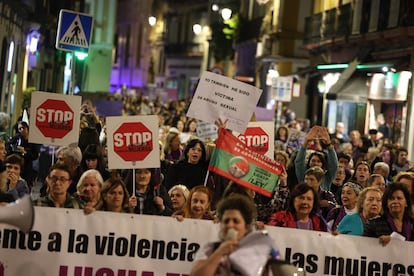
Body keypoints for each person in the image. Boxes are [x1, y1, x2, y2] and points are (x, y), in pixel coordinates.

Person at [191, 195, 279, 275]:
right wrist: (219, 253)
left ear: (247, 227)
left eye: (236, 221)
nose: (230, 225)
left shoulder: (258, 254)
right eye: (226, 221)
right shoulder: (210, 249)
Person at [295, 125, 338, 191]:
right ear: (309, 163)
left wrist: (329, 144)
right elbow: (299, 162)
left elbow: (334, 165)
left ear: (323, 164)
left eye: (318, 161)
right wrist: (305, 143)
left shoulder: (326, 177)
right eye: (313, 160)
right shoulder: (303, 175)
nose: (315, 163)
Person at [6, 121, 39, 187]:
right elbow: (9, 147)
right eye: (19, 129)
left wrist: (25, 152)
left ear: (27, 128)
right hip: (17, 164)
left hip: (28, 168)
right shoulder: (17, 138)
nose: (21, 130)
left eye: (23, 128)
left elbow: (35, 155)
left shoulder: (33, 140)